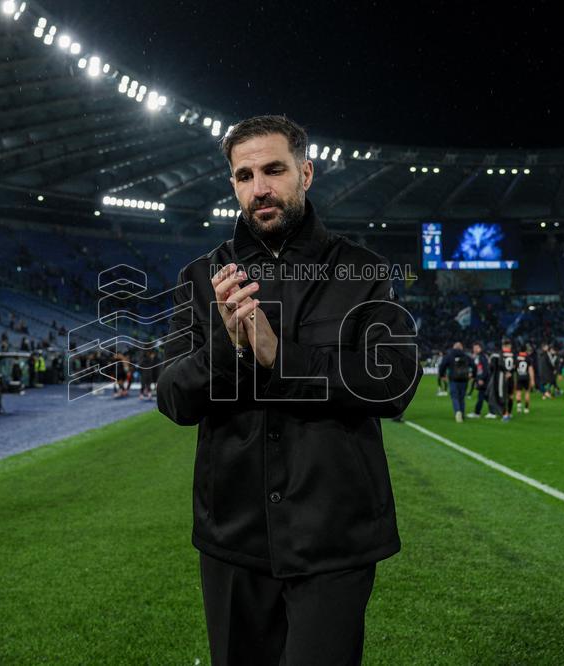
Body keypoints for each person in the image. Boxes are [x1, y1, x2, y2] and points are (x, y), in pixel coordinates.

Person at [156, 115, 421, 666]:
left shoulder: (362, 271)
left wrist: (280, 356)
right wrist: (229, 352)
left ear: (306, 172)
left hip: (333, 538)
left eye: (273, 170)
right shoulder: (202, 278)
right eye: (244, 175)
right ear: (233, 184)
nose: (259, 188)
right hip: (233, 538)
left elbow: (393, 382)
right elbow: (173, 397)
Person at [437, 342, 471, 422]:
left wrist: (442, 375)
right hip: (464, 379)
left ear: (453, 347)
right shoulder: (466, 356)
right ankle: (462, 414)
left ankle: (457, 411)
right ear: (461, 348)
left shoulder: (449, 356)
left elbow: (442, 365)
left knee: (455, 397)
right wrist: (473, 375)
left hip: (453, 379)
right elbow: (473, 365)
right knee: (462, 398)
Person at [468, 342, 491, 419]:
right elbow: (480, 369)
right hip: (483, 379)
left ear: (479, 348)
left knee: (481, 396)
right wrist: (474, 376)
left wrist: (481, 378)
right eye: (473, 348)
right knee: (485, 397)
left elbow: (485, 369)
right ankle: (494, 410)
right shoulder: (480, 356)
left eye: (475, 348)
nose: (474, 349)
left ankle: (477, 413)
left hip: (484, 380)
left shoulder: (482, 357)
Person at [514, 345, 535, 414]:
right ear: (525, 350)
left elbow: (514, 368)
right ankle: (526, 409)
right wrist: (532, 380)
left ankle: (519, 407)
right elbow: (530, 369)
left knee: (518, 393)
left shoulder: (516, 357)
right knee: (527, 392)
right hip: (526, 377)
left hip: (519, 377)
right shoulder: (528, 358)